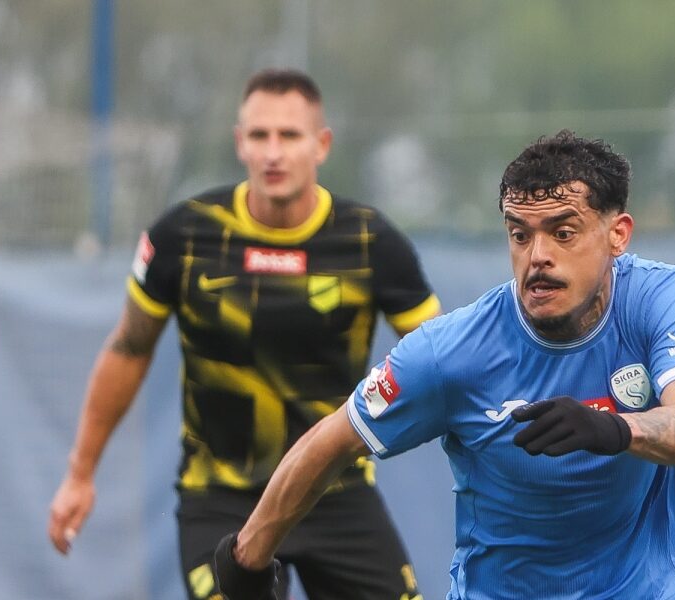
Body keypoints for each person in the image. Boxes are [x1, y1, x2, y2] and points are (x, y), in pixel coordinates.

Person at [212, 130, 675, 600]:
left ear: (618, 234)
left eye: (563, 233)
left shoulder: (656, 299)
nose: (537, 256)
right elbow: (334, 440)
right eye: (520, 234)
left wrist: (613, 428)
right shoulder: (451, 352)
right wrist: (246, 558)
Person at [48, 68, 437, 600]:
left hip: (336, 493)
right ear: (240, 144)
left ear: (321, 145)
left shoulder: (372, 243)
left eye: (289, 135)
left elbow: (439, 359)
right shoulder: (184, 236)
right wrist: (80, 474)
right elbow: (129, 348)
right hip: (220, 499)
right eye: (259, 135)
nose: (273, 152)